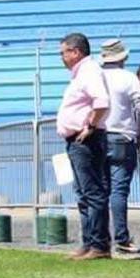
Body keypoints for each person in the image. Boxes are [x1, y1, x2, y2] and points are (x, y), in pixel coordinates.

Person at [55, 33, 111, 260]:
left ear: (76, 52)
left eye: (63, 53)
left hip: (86, 139)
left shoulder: (89, 71)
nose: (62, 57)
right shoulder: (81, 74)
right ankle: (89, 242)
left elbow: (102, 102)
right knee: (84, 194)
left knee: (92, 193)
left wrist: (90, 126)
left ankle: (99, 244)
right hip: (77, 140)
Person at [98, 39, 140, 253]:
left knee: (100, 190)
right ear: (123, 57)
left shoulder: (97, 76)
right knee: (119, 190)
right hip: (123, 136)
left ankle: (99, 238)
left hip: (99, 135)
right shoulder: (128, 78)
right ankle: (121, 238)